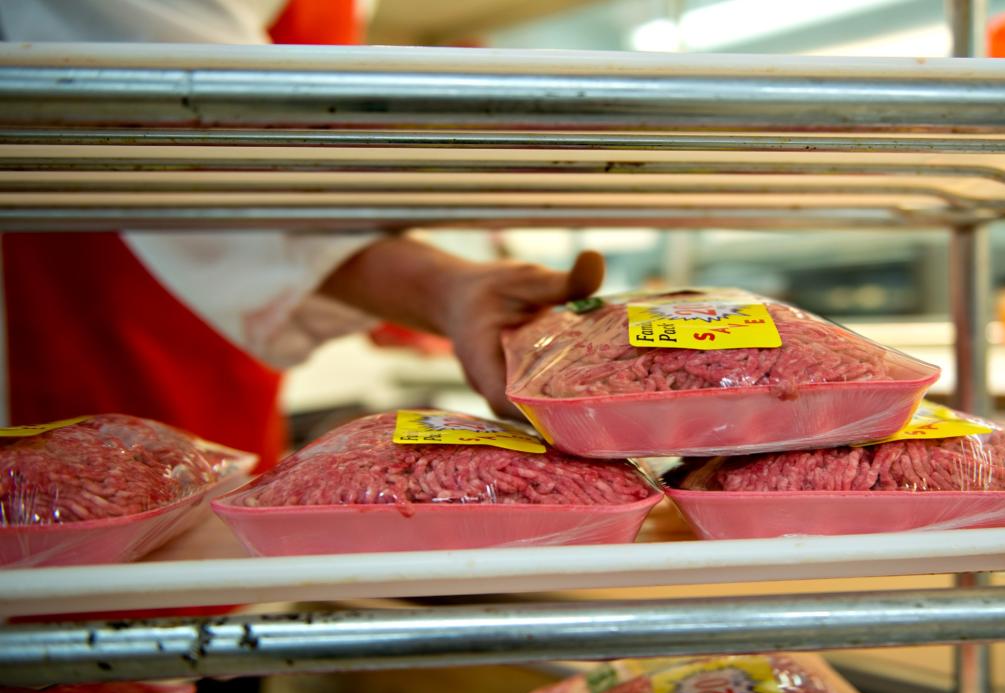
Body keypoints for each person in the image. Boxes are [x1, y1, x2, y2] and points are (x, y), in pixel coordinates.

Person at [0, 0, 604, 470]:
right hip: (77, 310)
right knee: (76, 535)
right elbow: (194, 128)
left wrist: (446, 291)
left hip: (229, 365)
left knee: (201, 560)